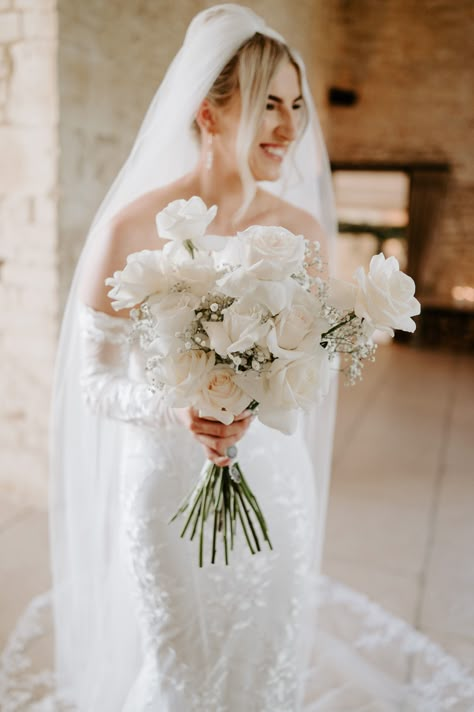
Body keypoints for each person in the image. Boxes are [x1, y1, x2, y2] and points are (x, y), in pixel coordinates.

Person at [42, 5, 473, 712]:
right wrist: (174, 407)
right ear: (208, 112)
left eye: (298, 106)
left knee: (266, 652)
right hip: (165, 484)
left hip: (273, 478)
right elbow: (93, 381)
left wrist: (265, 390)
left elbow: (311, 368)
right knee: (184, 659)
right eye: (268, 103)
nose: (289, 125)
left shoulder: (301, 233)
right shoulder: (130, 228)